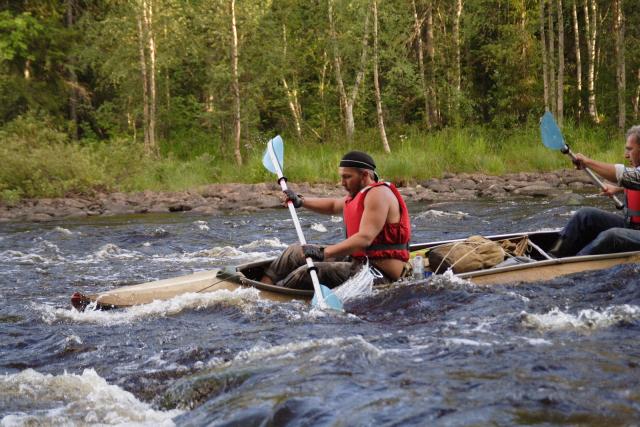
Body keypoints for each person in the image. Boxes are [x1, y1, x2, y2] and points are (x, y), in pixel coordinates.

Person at [260, 150, 411, 290]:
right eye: (342, 177)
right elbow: (333, 206)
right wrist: (301, 201)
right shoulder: (359, 195)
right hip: (357, 261)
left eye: (347, 177)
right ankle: (262, 287)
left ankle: (274, 295)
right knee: (294, 252)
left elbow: (365, 238)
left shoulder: (379, 194)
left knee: (309, 272)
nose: (342, 182)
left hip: (379, 274)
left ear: (365, 175)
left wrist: (324, 253)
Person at [550, 125, 640, 257]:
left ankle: (573, 265)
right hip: (631, 226)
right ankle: (552, 256)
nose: (626, 155)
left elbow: (622, 174)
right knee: (584, 216)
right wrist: (618, 189)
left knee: (612, 236)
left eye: (630, 149)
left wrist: (587, 162)